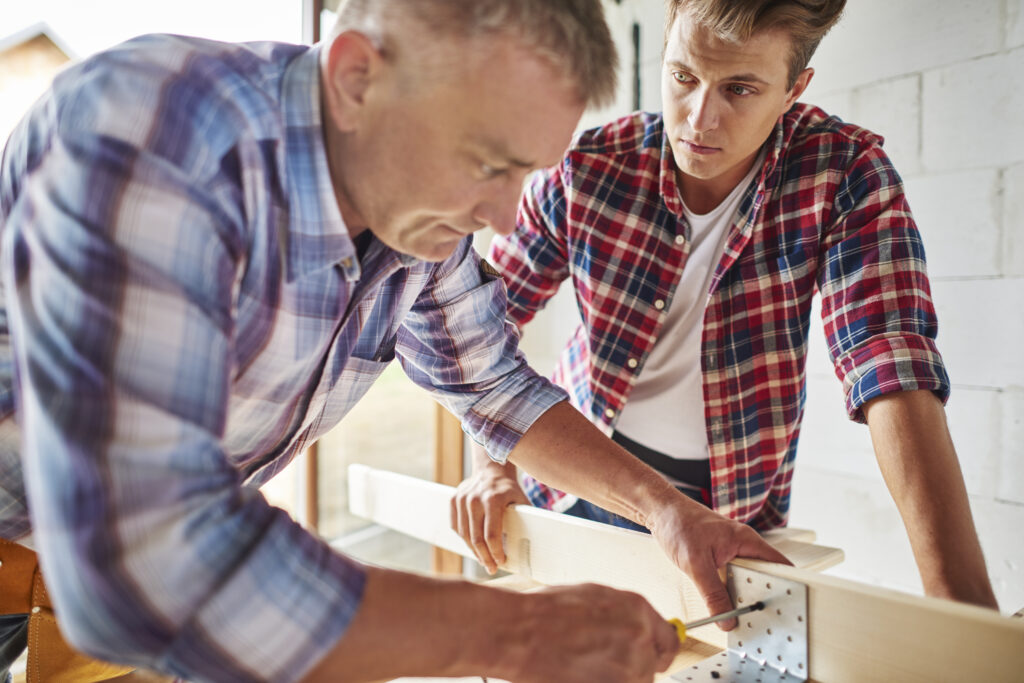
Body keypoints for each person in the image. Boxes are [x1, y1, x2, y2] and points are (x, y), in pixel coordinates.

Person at [0, 0, 796, 681]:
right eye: (488, 163)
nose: (506, 218)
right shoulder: (154, 132)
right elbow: (140, 555)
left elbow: (494, 388)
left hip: (106, 586)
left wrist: (666, 510)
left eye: (525, 174)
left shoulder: (417, 218)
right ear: (356, 79)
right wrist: (520, 632)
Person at [453, 0, 999, 611]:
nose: (700, 119)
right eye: (684, 77)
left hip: (728, 510)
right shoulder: (589, 169)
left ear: (794, 89)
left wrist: (960, 605)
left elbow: (888, 359)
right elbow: (481, 329)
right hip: (577, 485)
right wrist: (493, 467)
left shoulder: (844, 174)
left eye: (740, 89)